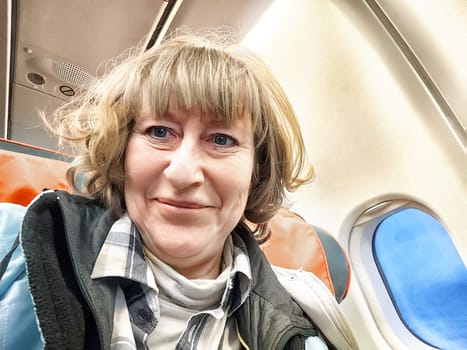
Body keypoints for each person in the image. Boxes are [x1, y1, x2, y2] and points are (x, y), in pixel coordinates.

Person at [0, 31, 358, 349]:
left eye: (221, 139)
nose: (184, 173)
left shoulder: (306, 328)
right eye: (159, 132)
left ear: (256, 171)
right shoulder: (10, 245)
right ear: (121, 151)